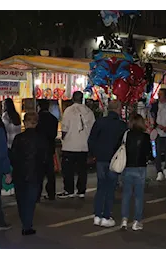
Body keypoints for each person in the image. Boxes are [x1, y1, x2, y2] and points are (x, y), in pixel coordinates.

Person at [88, 100, 127, 228]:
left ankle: (97, 215)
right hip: (113, 159)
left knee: (101, 187)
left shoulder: (100, 122)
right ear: (118, 109)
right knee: (110, 188)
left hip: (100, 158)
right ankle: (106, 215)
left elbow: (91, 139)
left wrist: (94, 154)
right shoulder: (121, 125)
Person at [11, 112, 50, 236]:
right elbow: (46, 157)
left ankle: (25, 222)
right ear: (36, 123)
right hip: (35, 172)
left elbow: (13, 156)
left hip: (19, 172)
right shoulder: (42, 138)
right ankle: (27, 225)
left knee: (21, 199)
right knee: (31, 200)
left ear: (25, 122)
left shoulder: (19, 138)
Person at [57, 91, 96, 199]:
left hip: (70, 145)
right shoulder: (89, 112)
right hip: (84, 146)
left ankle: (69, 190)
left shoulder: (69, 111)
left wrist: (63, 138)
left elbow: (64, 128)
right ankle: (81, 190)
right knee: (82, 170)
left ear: (73, 98)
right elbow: (93, 129)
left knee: (68, 170)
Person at [120, 114, 152, 231]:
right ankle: (136, 221)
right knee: (138, 196)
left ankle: (124, 219)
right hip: (140, 167)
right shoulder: (145, 136)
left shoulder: (126, 134)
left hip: (128, 166)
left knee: (126, 194)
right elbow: (149, 152)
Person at [36, 99, 59, 201]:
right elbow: (53, 134)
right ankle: (51, 194)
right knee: (50, 173)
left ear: (39, 106)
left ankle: (37, 195)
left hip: (38, 149)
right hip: (50, 147)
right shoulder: (53, 119)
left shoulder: (37, 118)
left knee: (38, 173)